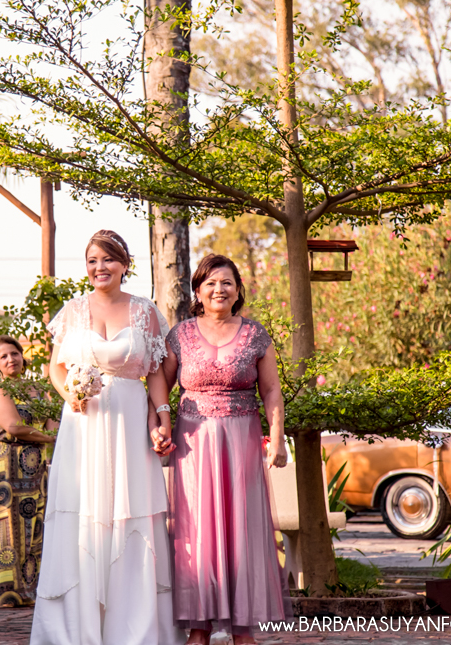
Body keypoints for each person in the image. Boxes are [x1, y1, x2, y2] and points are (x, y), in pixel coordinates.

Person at [29, 230, 182, 645]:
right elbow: (56, 368)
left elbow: (154, 371)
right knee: (82, 514)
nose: (100, 268)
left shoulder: (144, 311)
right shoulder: (72, 311)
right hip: (83, 427)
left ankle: (135, 627)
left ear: (124, 265)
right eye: (93, 260)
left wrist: (162, 416)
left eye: (108, 260)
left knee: (131, 511)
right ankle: (74, 629)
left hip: (130, 423)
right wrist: (71, 395)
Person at [161, 254, 290, 645]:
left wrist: (278, 437)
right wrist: (159, 426)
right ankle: (198, 627)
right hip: (193, 444)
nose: (219, 289)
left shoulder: (255, 334)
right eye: (211, 283)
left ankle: (242, 628)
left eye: (227, 283)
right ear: (197, 291)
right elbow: (160, 388)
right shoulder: (180, 334)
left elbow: (270, 389)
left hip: (242, 441)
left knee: (243, 531)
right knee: (195, 534)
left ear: (238, 290)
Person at [0, 336, 56, 608]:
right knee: (6, 529)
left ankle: (30, 592)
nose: (11, 359)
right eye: (4, 356)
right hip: (4, 466)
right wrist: (48, 438)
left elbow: (52, 421)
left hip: (35, 468)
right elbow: (13, 426)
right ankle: (6, 594)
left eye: (15, 354)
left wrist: (49, 435)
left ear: (23, 357)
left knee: (34, 527)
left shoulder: (39, 388)